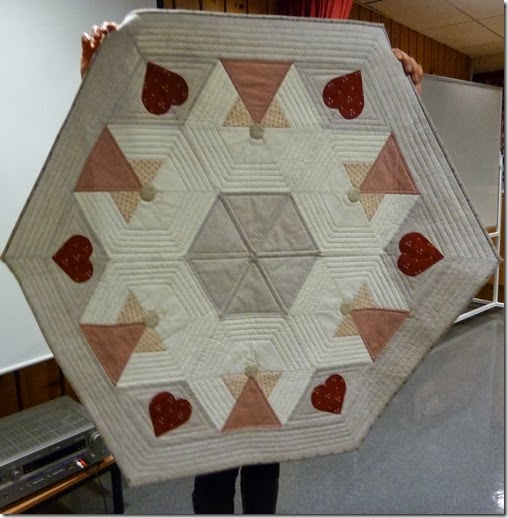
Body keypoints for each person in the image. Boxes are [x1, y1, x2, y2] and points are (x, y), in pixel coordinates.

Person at [81, 16, 423, 516]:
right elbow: (132, 151)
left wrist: (399, 90)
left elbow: (353, 175)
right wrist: (98, 77)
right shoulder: (197, 154)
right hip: (206, 333)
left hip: (277, 328)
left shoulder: (293, 151)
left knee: (264, 463)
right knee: (216, 470)